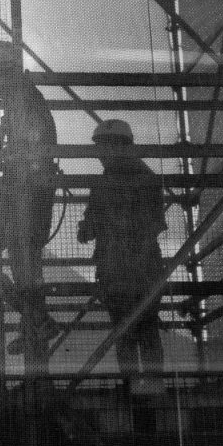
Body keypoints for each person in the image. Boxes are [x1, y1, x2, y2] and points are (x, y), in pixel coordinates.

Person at [0, 40, 60, 357]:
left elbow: (28, 151)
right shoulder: (21, 99)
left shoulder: (22, 100)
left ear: (1, 71)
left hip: (24, 193)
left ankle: (35, 319)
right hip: (23, 192)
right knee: (23, 263)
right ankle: (34, 322)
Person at [78, 119, 167, 392]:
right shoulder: (147, 177)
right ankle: (152, 384)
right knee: (147, 328)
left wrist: (90, 227)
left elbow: (88, 230)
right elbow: (155, 223)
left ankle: (133, 385)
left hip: (116, 270)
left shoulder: (104, 183)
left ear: (114, 147)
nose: (99, 155)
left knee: (125, 331)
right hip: (146, 270)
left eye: (102, 148)